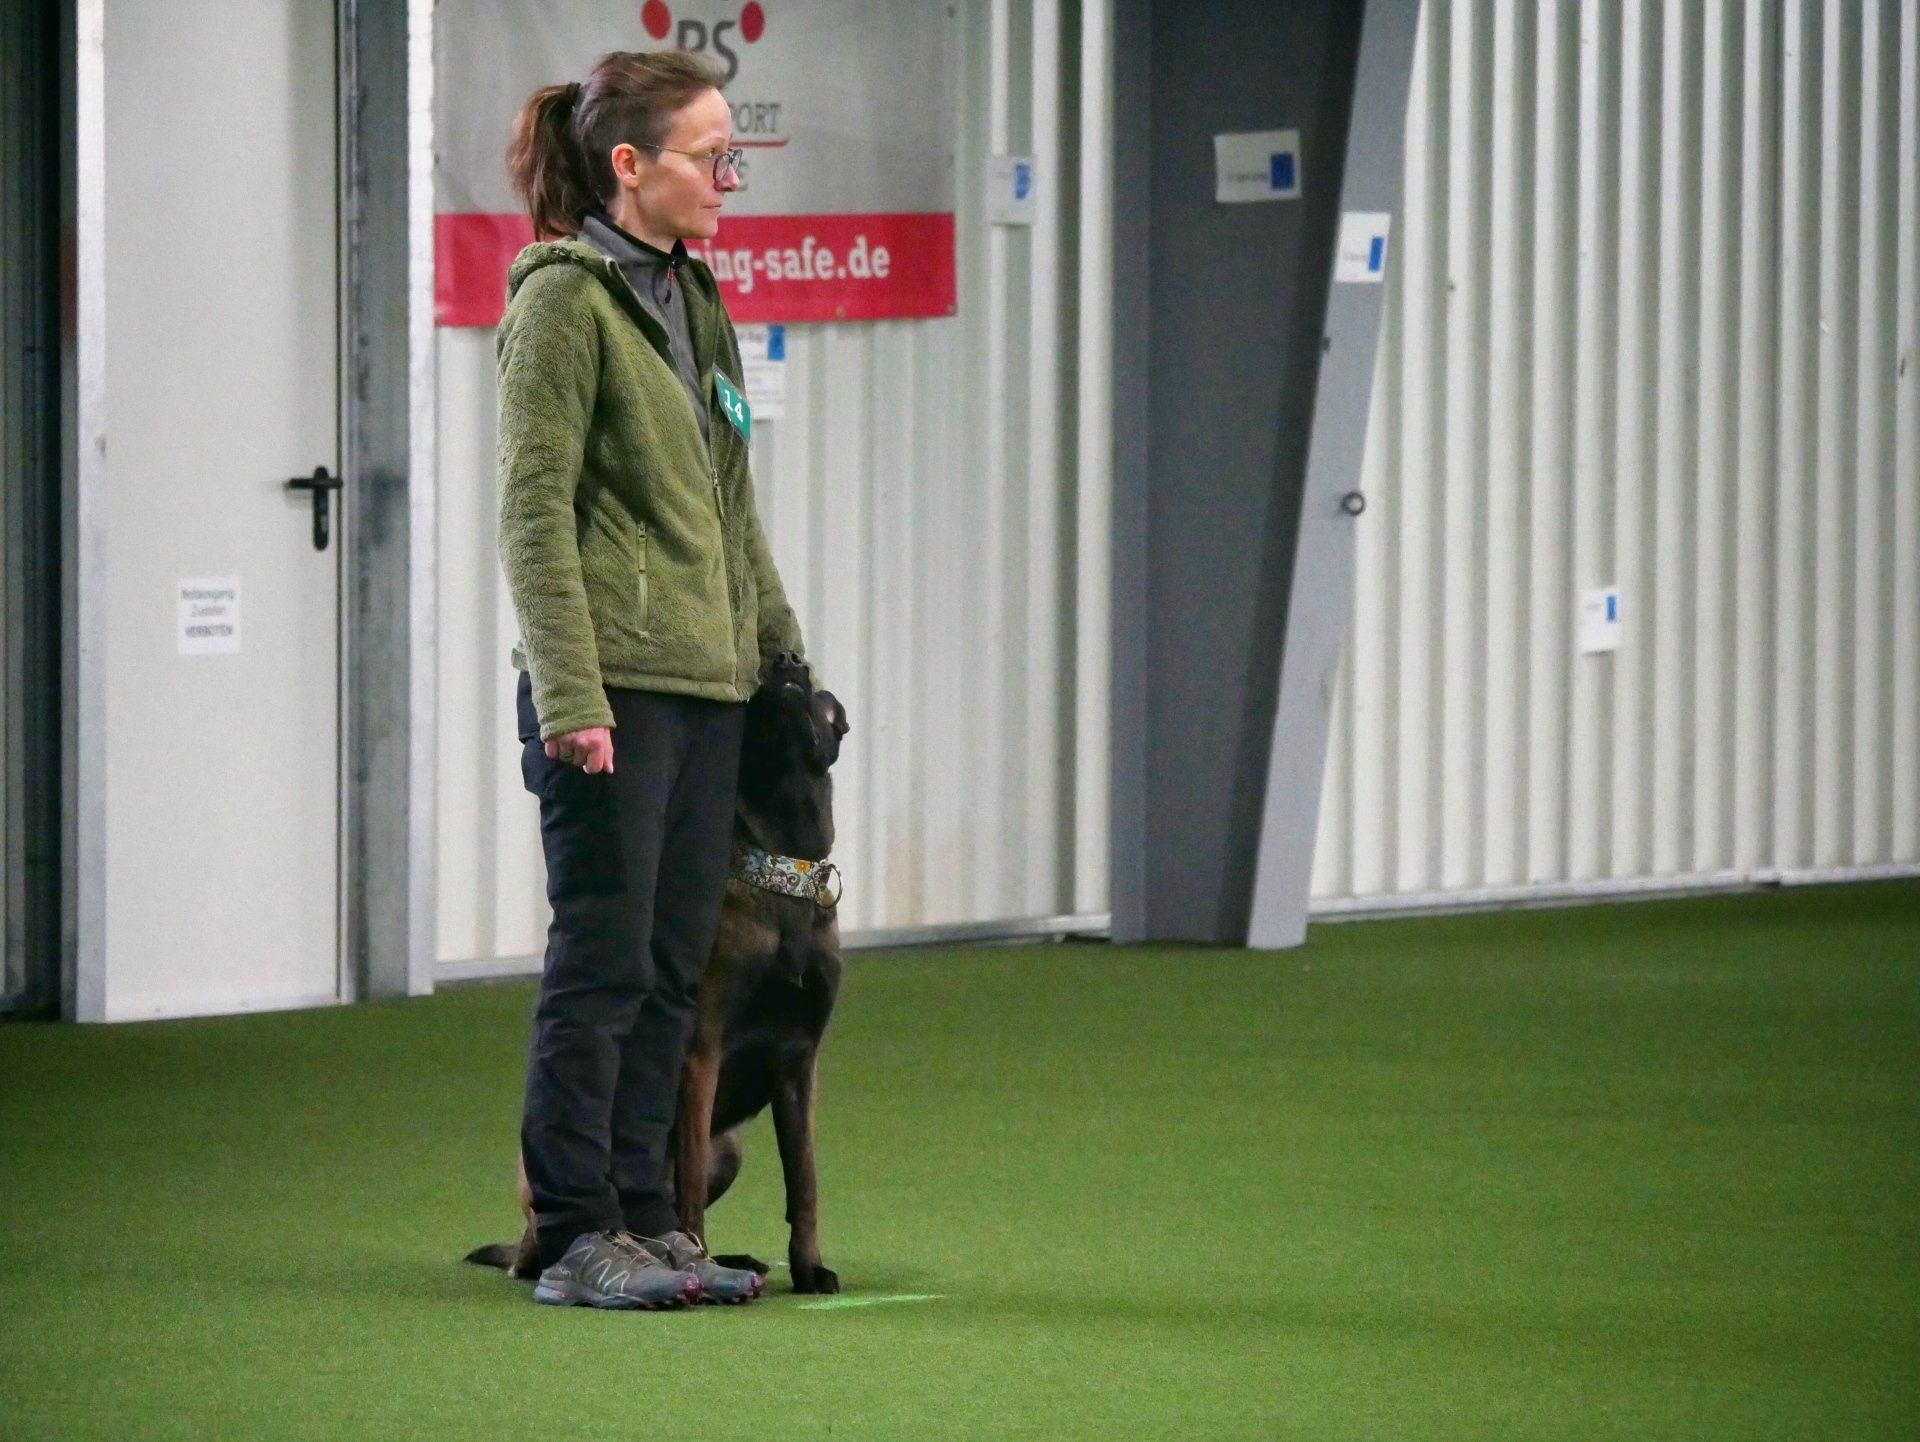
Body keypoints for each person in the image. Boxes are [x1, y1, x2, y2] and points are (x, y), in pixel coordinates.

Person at [497, 49, 807, 1309]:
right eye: (711, 156)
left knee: (675, 970)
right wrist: (570, 696)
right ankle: (576, 1232)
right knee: (605, 964)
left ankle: (649, 1218)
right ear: (629, 165)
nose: (730, 177)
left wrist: (782, 660)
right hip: (611, 693)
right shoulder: (563, 304)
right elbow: (533, 513)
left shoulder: (696, 298)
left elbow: (733, 508)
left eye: (736, 155)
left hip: (708, 689)